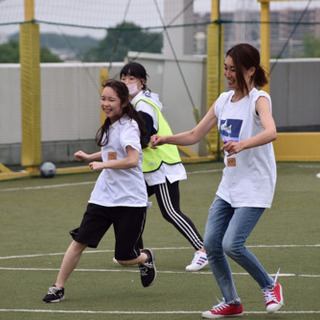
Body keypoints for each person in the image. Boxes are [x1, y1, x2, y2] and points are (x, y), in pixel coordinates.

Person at [151, 43, 284, 318]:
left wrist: (242, 144)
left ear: (250, 71)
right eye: (225, 68)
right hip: (230, 185)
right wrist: (167, 138)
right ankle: (232, 302)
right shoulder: (223, 101)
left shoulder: (260, 99)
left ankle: (270, 286)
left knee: (232, 244)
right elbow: (194, 135)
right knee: (211, 244)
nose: (228, 74)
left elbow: (271, 132)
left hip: (256, 184)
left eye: (233, 69)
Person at [42, 79, 156, 303]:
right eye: (103, 98)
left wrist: (103, 165)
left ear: (123, 103)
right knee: (78, 242)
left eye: (111, 100)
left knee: (123, 257)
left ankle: (145, 258)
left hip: (130, 201)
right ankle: (58, 287)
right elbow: (113, 153)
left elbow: (132, 160)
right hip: (102, 198)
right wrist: (91, 157)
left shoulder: (130, 126)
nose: (105, 103)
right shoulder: (110, 124)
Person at [119, 62, 208, 272]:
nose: (126, 82)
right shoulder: (135, 103)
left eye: (131, 79)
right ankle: (135, 252)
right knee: (130, 205)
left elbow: (146, 134)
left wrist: (125, 149)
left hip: (161, 165)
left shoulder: (142, 103)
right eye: (123, 78)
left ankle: (203, 249)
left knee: (170, 211)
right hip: (148, 167)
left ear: (142, 81)